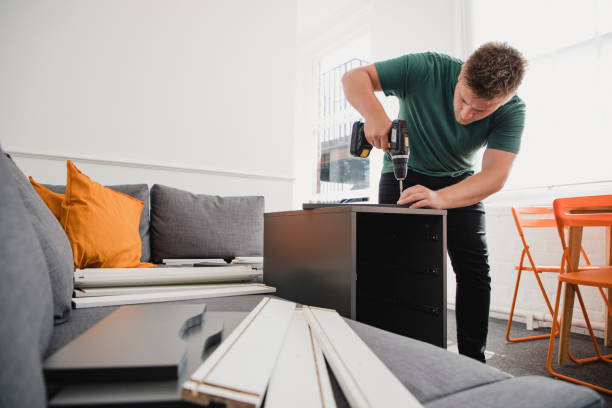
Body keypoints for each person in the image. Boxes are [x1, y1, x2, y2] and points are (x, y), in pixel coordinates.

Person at [341, 42, 527, 363]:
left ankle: (473, 361)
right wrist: (375, 115)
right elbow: (354, 78)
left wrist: (440, 198)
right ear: (459, 77)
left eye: (481, 110)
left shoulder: (514, 111)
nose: (466, 114)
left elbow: (494, 176)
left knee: (474, 270)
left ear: (503, 101)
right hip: (404, 170)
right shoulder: (426, 68)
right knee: (397, 264)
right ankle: (397, 351)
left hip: (461, 182)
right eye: (464, 100)